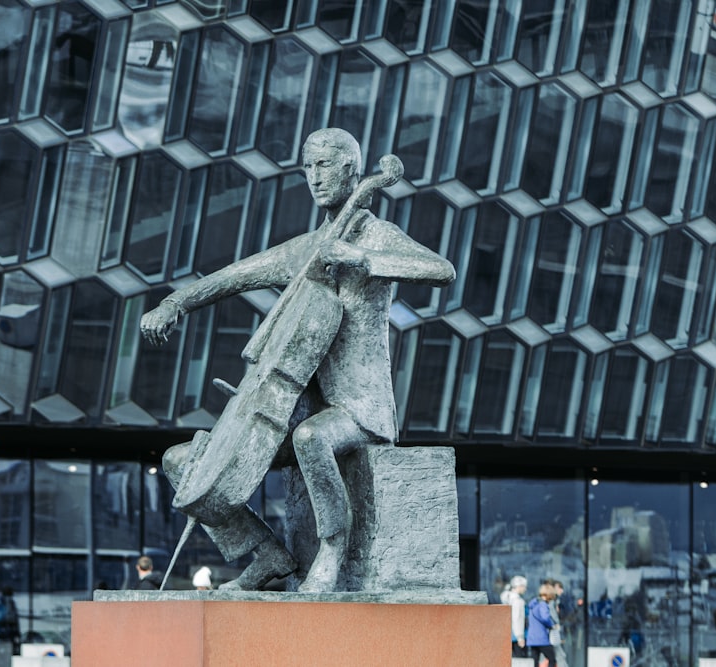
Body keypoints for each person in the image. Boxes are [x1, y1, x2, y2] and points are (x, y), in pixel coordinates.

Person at [141, 128, 455, 592]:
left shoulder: (375, 234)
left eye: (324, 165)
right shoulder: (306, 248)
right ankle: (269, 555)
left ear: (351, 168)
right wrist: (175, 303)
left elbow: (440, 270)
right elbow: (234, 276)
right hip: (292, 408)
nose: (314, 177)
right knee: (180, 462)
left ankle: (331, 548)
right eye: (307, 167)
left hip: (358, 410)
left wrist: (361, 258)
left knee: (312, 438)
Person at [528, 583, 557, 667]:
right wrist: (552, 625)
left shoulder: (533, 603)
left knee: (535, 662)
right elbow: (545, 618)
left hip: (532, 638)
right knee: (552, 659)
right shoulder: (543, 604)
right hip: (541, 637)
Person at [500, 575, 528, 657]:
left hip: (508, 634)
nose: (525, 589)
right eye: (524, 586)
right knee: (521, 660)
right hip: (517, 635)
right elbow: (517, 619)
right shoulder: (518, 601)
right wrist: (520, 637)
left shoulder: (507, 599)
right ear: (519, 586)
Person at [546, 579, 568, 667]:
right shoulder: (551, 602)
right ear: (554, 588)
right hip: (553, 634)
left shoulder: (556, 601)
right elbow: (553, 618)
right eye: (560, 588)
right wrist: (557, 627)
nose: (562, 591)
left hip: (554, 634)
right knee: (560, 656)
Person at [0, 586, 20, 651]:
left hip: (8, 632)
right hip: (5, 632)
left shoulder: (10, 604)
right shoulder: (3, 605)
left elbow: (15, 620)